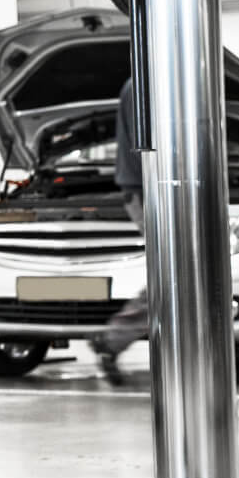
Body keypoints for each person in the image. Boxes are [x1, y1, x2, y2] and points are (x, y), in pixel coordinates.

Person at [91, 77, 146, 384]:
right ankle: (111, 340)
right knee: (173, 277)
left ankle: (111, 340)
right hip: (147, 190)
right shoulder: (142, 86)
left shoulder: (141, 84)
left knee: (175, 276)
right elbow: (148, 145)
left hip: (146, 187)